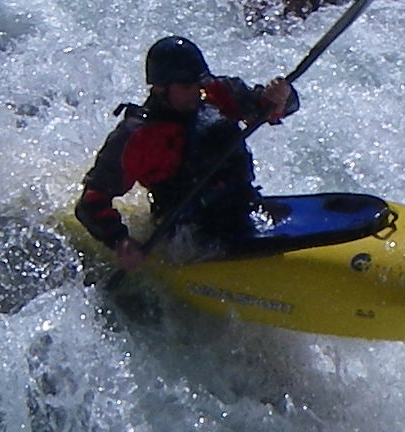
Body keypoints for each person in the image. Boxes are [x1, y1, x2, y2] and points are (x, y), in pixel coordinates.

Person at [76, 36, 300, 271]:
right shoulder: (137, 136)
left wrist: (281, 98)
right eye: (186, 87)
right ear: (161, 88)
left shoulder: (215, 93)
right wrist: (120, 241)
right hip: (190, 233)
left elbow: (272, 108)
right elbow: (91, 202)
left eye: (198, 83)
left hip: (243, 208)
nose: (196, 91)